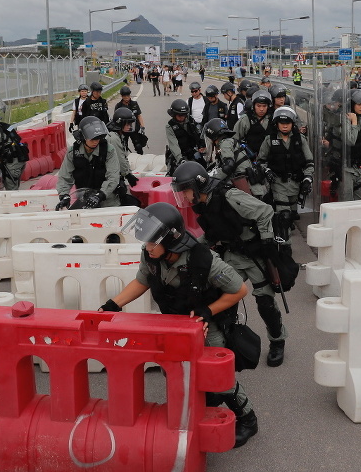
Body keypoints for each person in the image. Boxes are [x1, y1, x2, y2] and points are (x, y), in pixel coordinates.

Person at [102, 202, 258, 447]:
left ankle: (247, 418)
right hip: (176, 326)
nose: (147, 246)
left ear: (171, 241)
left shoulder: (204, 260)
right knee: (176, 371)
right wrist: (114, 304)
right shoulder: (152, 255)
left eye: (152, 242)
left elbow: (239, 289)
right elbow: (141, 281)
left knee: (216, 375)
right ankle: (201, 408)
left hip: (206, 326)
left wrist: (208, 310)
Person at [171, 162, 288, 368]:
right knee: (222, 300)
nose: (185, 197)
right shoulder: (204, 204)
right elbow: (213, 232)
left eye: (186, 191)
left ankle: (277, 340)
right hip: (231, 255)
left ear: (198, 186)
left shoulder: (229, 196)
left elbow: (265, 211)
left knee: (265, 303)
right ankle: (227, 344)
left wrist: (267, 242)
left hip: (254, 256)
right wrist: (190, 248)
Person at [257, 106, 314, 235]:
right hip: (278, 182)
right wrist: (267, 171)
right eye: (281, 123)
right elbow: (260, 161)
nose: (284, 126)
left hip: (295, 183)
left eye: (287, 123)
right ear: (276, 124)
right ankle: (283, 244)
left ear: (292, 124)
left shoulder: (300, 140)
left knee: (292, 214)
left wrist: (308, 178)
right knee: (284, 216)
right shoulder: (269, 140)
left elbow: (309, 162)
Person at [55, 116, 122, 210]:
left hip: (107, 200)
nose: (96, 142)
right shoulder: (73, 152)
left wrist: (100, 195)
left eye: (98, 139)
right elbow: (64, 177)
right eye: (92, 139)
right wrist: (64, 196)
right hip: (84, 199)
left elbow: (113, 177)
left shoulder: (108, 150)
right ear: (83, 137)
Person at [204, 117, 262, 194]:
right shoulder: (231, 142)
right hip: (250, 185)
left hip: (246, 188)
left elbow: (229, 166)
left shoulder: (225, 144)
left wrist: (208, 178)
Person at [106, 107, 141, 206]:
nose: (130, 126)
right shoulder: (113, 138)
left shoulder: (118, 135)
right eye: (128, 124)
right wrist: (127, 174)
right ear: (120, 123)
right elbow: (120, 159)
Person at [165, 98, 205, 171]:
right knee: (173, 173)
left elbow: (198, 133)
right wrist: (180, 159)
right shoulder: (170, 126)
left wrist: (201, 145)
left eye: (183, 115)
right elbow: (173, 144)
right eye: (179, 115)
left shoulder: (191, 121)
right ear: (174, 115)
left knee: (203, 168)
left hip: (191, 151)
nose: (182, 117)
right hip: (178, 154)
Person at [233, 89, 275, 157]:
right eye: (258, 106)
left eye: (264, 106)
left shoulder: (273, 119)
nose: (261, 109)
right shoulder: (245, 119)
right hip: (249, 159)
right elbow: (234, 139)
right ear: (253, 106)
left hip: (269, 159)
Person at [115, 85, 148, 154]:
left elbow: (139, 116)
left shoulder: (134, 104)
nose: (126, 97)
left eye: (128, 95)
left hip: (133, 128)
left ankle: (140, 159)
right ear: (122, 96)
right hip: (123, 129)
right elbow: (116, 119)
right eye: (124, 96)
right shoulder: (118, 106)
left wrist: (142, 127)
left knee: (138, 146)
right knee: (123, 147)